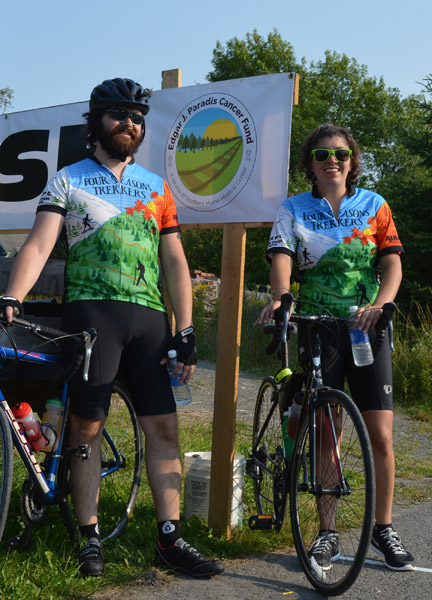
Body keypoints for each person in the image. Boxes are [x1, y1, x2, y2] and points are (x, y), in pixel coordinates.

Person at [0, 78, 224, 579]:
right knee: (87, 427)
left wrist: (184, 328)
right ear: (96, 122)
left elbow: (174, 262)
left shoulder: (155, 188)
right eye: (120, 114)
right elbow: (38, 246)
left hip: (148, 318)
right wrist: (14, 294)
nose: (130, 123)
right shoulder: (68, 178)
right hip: (91, 313)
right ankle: (89, 536)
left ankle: (170, 538)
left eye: (138, 117)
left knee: (164, 427)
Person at [255, 124, 414, 572]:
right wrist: (281, 296)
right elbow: (282, 257)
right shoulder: (293, 208)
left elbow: (392, 264)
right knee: (328, 431)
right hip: (318, 326)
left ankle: (383, 527)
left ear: (352, 161)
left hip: (366, 327)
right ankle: (327, 532)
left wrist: (381, 305)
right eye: (322, 154)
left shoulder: (374, 205)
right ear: (310, 163)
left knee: (380, 435)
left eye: (341, 154)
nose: (333, 161)